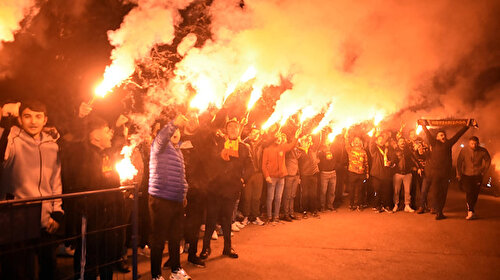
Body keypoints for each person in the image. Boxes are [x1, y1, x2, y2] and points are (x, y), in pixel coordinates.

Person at [0, 100, 63, 280]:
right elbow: (2, 152)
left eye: (38, 117)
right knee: (17, 272)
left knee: (49, 269)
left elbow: (55, 181)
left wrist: (57, 211)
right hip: (15, 216)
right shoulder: (11, 138)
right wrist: (5, 115)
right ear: (19, 119)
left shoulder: (52, 145)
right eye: (27, 116)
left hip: (45, 218)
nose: (33, 121)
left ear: (45, 120)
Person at [62, 114, 124, 280]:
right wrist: (80, 118)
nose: (110, 133)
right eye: (106, 130)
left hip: (108, 214)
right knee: (88, 256)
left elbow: (112, 182)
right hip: (89, 214)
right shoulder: (82, 154)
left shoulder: (106, 155)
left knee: (107, 256)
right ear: (95, 136)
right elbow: (71, 142)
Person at [200, 117, 254, 260]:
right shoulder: (219, 144)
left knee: (226, 220)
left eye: (235, 127)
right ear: (226, 130)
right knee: (211, 219)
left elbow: (250, 167)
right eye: (230, 127)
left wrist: (243, 180)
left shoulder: (244, 147)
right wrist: (221, 154)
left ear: (239, 130)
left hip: (231, 189)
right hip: (215, 188)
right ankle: (206, 248)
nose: (233, 129)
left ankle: (227, 248)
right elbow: (210, 160)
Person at [148, 114, 192, 280]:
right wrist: (173, 124)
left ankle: (176, 270)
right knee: (158, 239)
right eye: (173, 130)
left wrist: (184, 193)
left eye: (178, 130)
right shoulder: (158, 145)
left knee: (175, 237)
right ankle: (156, 275)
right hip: (161, 199)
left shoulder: (178, 151)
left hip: (177, 200)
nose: (176, 133)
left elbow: (182, 176)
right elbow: (162, 136)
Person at [418, 119, 471, 220]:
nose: (443, 136)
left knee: (443, 193)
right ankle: (437, 210)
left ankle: (440, 212)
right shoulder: (434, 143)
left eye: (444, 135)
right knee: (436, 192)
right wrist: (423, 126)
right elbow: (428, 134)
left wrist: (467, 126)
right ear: (437, 137)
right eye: (441, 135)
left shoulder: (448, 144)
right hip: (435, 174)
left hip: (445, 174)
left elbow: (458, 135)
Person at [262, 130, 299, 223]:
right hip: (272, 177)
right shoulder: (267, 149)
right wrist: (267, 176)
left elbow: (291, 145)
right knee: (270, 198)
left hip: (281, 177)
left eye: (280, 138)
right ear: (273, 139)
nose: (279, 139)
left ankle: (276, 216)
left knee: (278, 198)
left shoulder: (282, 147)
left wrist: (296, 136)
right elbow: (263, 165)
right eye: (277, 138)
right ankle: (269, 216)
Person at [456, 136, 491, 220]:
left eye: (475, 144)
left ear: (478, 143)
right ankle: (470, 211)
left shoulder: (483, 151)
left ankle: (472, 210)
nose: (474, 145)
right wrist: (458, 173)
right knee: (469, 191)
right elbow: (459, 162)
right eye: (472, 143)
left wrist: (484, 171)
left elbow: (488, 160)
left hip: (477, 175)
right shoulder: (464, 150)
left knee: (475, 193)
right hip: (467, 175)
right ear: (469, 143)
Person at [242, 127, 265, 225]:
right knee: (247, 197)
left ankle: (255, 216)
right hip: (248, 174)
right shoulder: (245, 144)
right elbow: (240, 141)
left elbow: (270, 140)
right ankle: (246, 217)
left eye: (257, 133)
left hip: (258, 174)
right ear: (250, 133)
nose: (256, 134)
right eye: (253, 132)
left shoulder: (261, 145)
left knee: (256, 197)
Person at [369, 134, 394, 213]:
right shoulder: (374, 150)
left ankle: (385, 206)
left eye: (382, 139)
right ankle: (377, 206)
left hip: (386, 173)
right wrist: (374, 134)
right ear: (376, 141)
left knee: (386, 191)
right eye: (379, 139)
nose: (381, 140)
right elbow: (371, 144)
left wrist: (391, 162)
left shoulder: (387, 149)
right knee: (377, 191)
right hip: (376, 174)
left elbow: (393, 157)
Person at [392, 137, 419, 213]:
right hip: (398, 173)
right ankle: (396, 205)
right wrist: (390, 164)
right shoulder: (395, 152)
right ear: (398, 143)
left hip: (407, 173)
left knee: (407, 191)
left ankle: (407, 205)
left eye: (403, 141)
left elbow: (414, 160)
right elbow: (393, 161)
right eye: (400, 141)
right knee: (396, 191)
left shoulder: (408, 151)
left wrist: (417, 167)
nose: (402, 142)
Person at [297, 135, 320, 218]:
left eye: (307, 142)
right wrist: (298, 176)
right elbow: (297, 165)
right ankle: (304, 211)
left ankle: (314, 210)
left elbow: (318, 141)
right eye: (304, 142)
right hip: (304, 175)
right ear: (301, 143)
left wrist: (319, 131)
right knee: (305, 194)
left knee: (313, 194)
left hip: (313, 174)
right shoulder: (299, 151)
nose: (305, 143)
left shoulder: (312, 150)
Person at [346, 136, 369, 211]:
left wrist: (367, 173)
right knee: (351, 189)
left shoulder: (363, 152)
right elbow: (346, 143)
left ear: (360, 142)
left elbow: (366, 163)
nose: (356, 141)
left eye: (358, 140)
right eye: (355, 140)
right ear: (353, 142)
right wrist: (346, 135)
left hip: (361, 173)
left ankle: (359, 204)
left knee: (360, 190)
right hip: (352, 173)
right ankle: (351, 204)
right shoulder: (350, 150)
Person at [317, 141, 337, 211]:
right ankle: (322, 206)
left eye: (329, 145)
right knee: (323, 191)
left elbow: (336, 159)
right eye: (326, 145)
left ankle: (330, 205)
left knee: (332, 191)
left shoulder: (333, 151)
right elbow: (319, 161)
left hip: (333, 173)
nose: (328, 146)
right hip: (324, 174)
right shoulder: (321, 153)